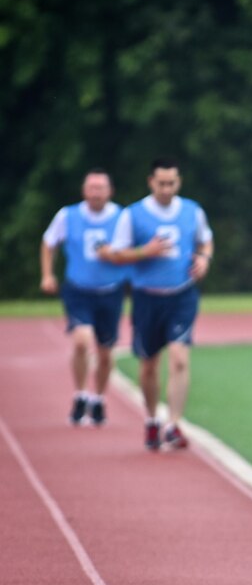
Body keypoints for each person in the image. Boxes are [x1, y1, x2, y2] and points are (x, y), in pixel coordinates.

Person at [99, 157, 214, 451]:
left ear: (179, 181)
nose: (167, 188)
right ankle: (151, 419)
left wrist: (203, 259)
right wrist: (144, 251)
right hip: (146, 297)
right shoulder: (133, 215)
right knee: (149, 365)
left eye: (172, 182)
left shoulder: (192, 211)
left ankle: (173, 424)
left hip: (182, 295)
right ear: (151, 182)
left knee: (178, 358)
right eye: (161, 183)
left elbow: (206, 241)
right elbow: (114, 254)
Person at [40, 168, 130, 426]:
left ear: (109, 191)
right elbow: (48, 242)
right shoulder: (68, 216)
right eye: (91, 188)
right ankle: (80, 392)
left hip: (111, 290)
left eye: (100, 188)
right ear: (84, 190)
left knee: (105, 351)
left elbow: (133, 250)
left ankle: (98, 398)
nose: (96, 193)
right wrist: (47, 274)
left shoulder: (122, 217)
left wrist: (115, 255)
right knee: (81, 341)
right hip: (78, 288)